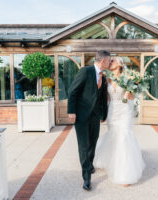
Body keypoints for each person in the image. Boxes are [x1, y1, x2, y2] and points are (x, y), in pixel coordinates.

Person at [93, 56, 145, 187]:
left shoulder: (130, 77)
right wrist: (102, 113)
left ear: (120, 64)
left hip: (125, 111)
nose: (110, 62)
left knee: (124, 138)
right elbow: (106, 98)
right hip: (112, 111)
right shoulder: (107, 79)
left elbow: (133, 95)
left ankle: (125, 173)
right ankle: (110, 160)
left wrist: (129, 94)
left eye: (112, 61)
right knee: (113, 135)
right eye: (110, 61)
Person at [67, 50, 110, 191]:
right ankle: (86, 178)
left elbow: (102, 98)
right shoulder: (86, 71)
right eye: (109, 60)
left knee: (93, 142)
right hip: (81, 115)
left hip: (95, 116)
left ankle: (89, 165)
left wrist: (104, 114)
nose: (110, 63)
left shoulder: (103, 78)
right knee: (84, 145)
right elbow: (73, 91)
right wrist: (71, 111)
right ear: (103, 61)